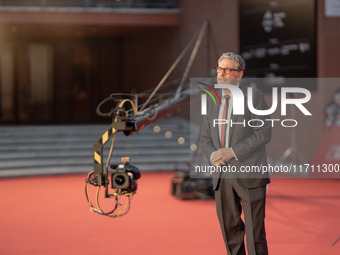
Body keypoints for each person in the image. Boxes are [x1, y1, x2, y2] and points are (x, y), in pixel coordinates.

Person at [200, 52, 272, 255]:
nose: (221, 74)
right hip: (222, 176)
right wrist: (213, 155)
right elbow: (205, 138)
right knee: (230, 232)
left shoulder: (253, 96)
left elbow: (264, 133)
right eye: (219, 69)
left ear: (239, 75)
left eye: (227, 70)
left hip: (249, 173)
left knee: (255, 234)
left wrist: (231, 152)